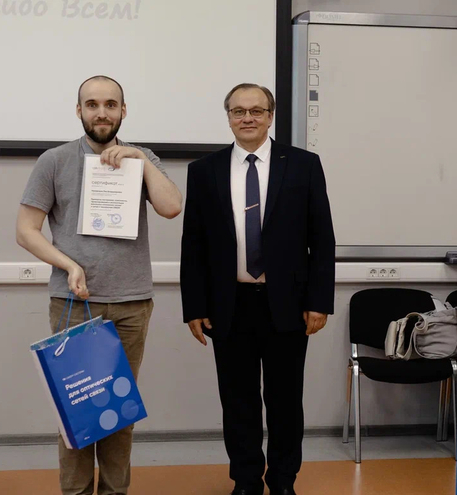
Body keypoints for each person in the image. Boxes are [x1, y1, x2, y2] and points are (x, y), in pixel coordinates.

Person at [16, 75, 183, 495]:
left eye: (111, 104)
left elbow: (171, 207)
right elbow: (26, 231)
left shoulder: (142, 158)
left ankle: (114, 491)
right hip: (74, 303)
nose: (102, 112)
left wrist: (139, 160)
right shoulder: (54, 161)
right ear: (79, 111)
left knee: (118, 413)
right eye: (92, 104)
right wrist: (68, 265)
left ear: (123, 111)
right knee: (77, 410)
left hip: (131, 304)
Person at [180, 83, 335, 495]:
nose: (247, 118)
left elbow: (322, 239)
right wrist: (194, 306)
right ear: (228, 117)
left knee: (285, 402)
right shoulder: (204, 170)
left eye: (256, 110)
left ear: (270, 115)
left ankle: (283, 481)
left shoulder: (303, 165)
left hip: (288, 304)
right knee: (238, 402)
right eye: (238, 111)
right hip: (229, 305)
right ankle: (246, 481)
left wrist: (319, 300)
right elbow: (193, 245)